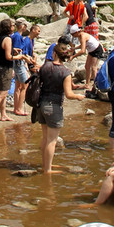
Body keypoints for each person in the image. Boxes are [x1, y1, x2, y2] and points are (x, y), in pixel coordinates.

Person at [35, 41, 85, 174]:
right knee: (52, 141)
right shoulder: (66, 72)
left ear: (54, 53)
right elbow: (68, 95)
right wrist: (78, 97)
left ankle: (45, 164)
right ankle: (48, 169)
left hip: (41, 104)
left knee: (45, 138)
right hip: (54, 106)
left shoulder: (45, 67)